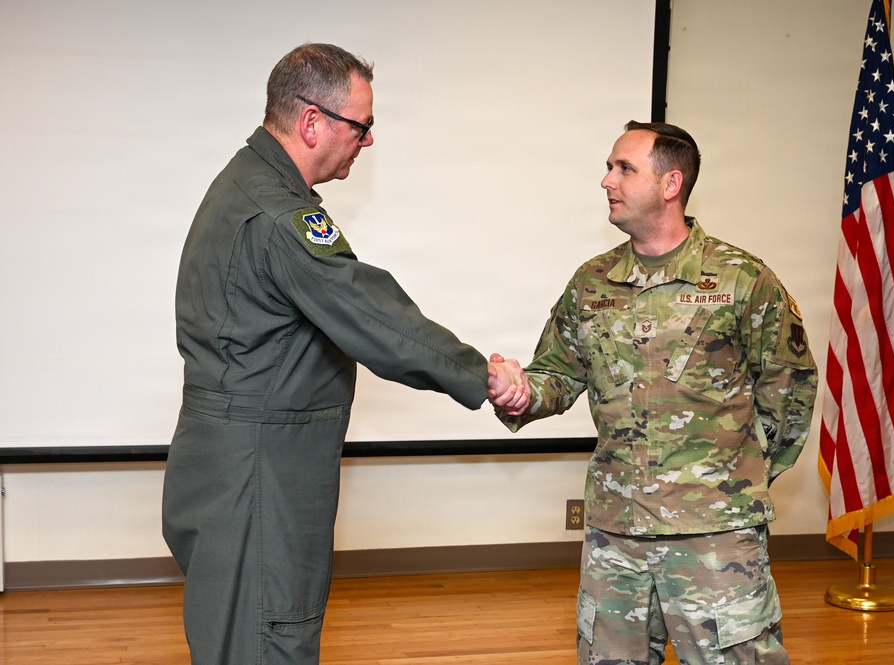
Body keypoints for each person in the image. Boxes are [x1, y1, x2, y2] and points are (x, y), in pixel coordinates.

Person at [161, 43, 526, 665]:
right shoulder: (279, 215)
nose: (369, 140)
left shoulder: (243, 183)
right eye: (362, 125)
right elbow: (371, 314)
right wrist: (481, 374)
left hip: (231, 458)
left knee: (240, 634)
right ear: (312, 121)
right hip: (259, 469)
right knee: (268, 637)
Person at [495, 121, 817, 665]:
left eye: (624, 168)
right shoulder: (592, 282)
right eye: (609, 167)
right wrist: (519, 391)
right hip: (615, 535)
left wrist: (731, 479)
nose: (607, 180)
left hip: (713, 536)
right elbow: (559, 374)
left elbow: (789, 389)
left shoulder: (741, 279)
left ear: (671, 184)